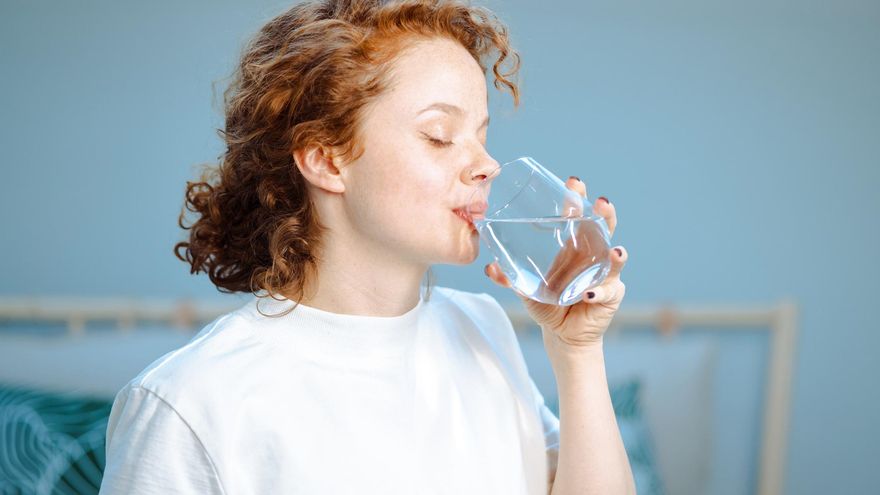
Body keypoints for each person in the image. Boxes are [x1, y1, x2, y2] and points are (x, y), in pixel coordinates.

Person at [99, 0, 634, 493]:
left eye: (482, 136)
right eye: (440, 136)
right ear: (327, 160)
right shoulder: (190, 403)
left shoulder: (483, 329)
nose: (487, 166)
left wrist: (577, 351)